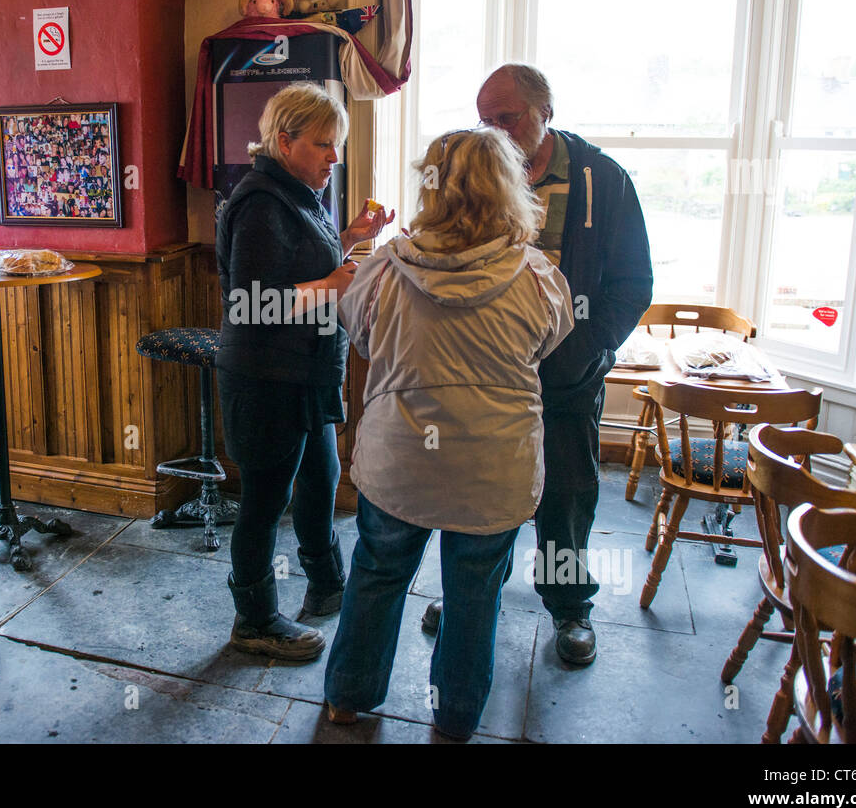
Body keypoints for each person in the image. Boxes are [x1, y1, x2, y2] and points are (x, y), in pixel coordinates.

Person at [322, 128, 573, 739]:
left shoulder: (383, 270)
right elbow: (550, 343)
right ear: (510, 188)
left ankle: (348, 699)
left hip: (399, 459)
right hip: (494, 464)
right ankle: (456, 716)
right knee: (474, 594)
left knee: (378, 575)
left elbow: (361, 338)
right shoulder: (537, 277)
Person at [422, 63, 653, 665]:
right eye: (486, 119)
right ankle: (473, 592)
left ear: (545, 111)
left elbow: (632, 284)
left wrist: (590, 349)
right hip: (483, 373)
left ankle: (570, 607)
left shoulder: (603, 179)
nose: (495, 129)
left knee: (567, 496)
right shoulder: (471, 172)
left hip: (567, 374)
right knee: (478, 493)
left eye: (508, 117)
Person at [216, 82, 394, 661]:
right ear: (285, 140)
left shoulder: (298, 191)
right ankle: (256, 620)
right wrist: (333, 285)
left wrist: (350, 240)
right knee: (264, 503)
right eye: (324, 145)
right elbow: (252, 302)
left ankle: (326, 584)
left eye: (336, 145)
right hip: (267, 379)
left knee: (320, 479)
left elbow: (301, 263)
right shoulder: (260, 203)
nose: (334, 158)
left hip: (308, 374)